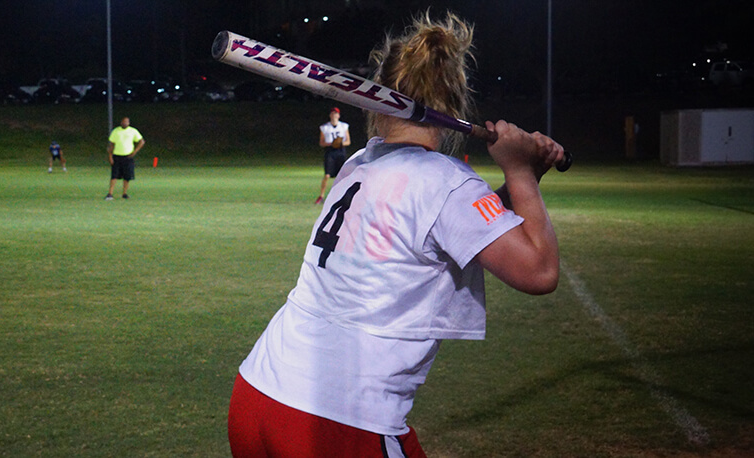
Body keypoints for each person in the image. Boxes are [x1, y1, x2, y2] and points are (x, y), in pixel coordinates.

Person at [227, 12, 566, 457]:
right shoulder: (448, 184)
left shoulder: (360, 165)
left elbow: (457, 229)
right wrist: (519, 170)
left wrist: (525, 180)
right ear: (455, 100)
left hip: (257, 395)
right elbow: (539, 272)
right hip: (339, 420)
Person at [316, 107, 351, 204]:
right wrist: (331, 144)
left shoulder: (344, 126)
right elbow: (322, 142)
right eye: (332, 113)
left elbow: (348, 141)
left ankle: (342, 195)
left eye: (336, 114)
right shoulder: (325, 127)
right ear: (330, 115)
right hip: (330, 151)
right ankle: (321, 196)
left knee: (342, 175)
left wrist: (339, 144)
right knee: (327, 175)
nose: (334, 115)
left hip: (340, 151)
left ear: (338, 115)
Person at [106, 117, 144, 200]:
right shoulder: (116, 131)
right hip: (117, 156)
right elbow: (111, 145)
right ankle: (110, 193)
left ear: (129, 123)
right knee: (114, 175)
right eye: (123, 121)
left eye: (126, 122)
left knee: (127, 176)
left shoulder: (133, 131)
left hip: (128, 157)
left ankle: (124, 193)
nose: (125, 123)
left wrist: (135, 152)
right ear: (121, 122)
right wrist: (110, 156)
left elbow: (141, 141)